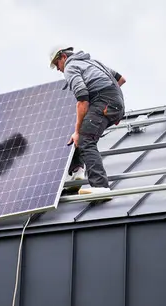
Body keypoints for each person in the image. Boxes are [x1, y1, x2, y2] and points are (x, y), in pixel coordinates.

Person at [50, 46, 126, 196]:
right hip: (115, 101)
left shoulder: (70, 67)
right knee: (85, 127)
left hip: (103, 100)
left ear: (63, 57)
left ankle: (100, 187)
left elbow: (82, 98)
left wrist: (77, 132)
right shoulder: (92, 63)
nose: (58, 69)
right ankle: (77, 170)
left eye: (57, 64)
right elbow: (121, 79)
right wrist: (113, 109)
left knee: (84, 138)